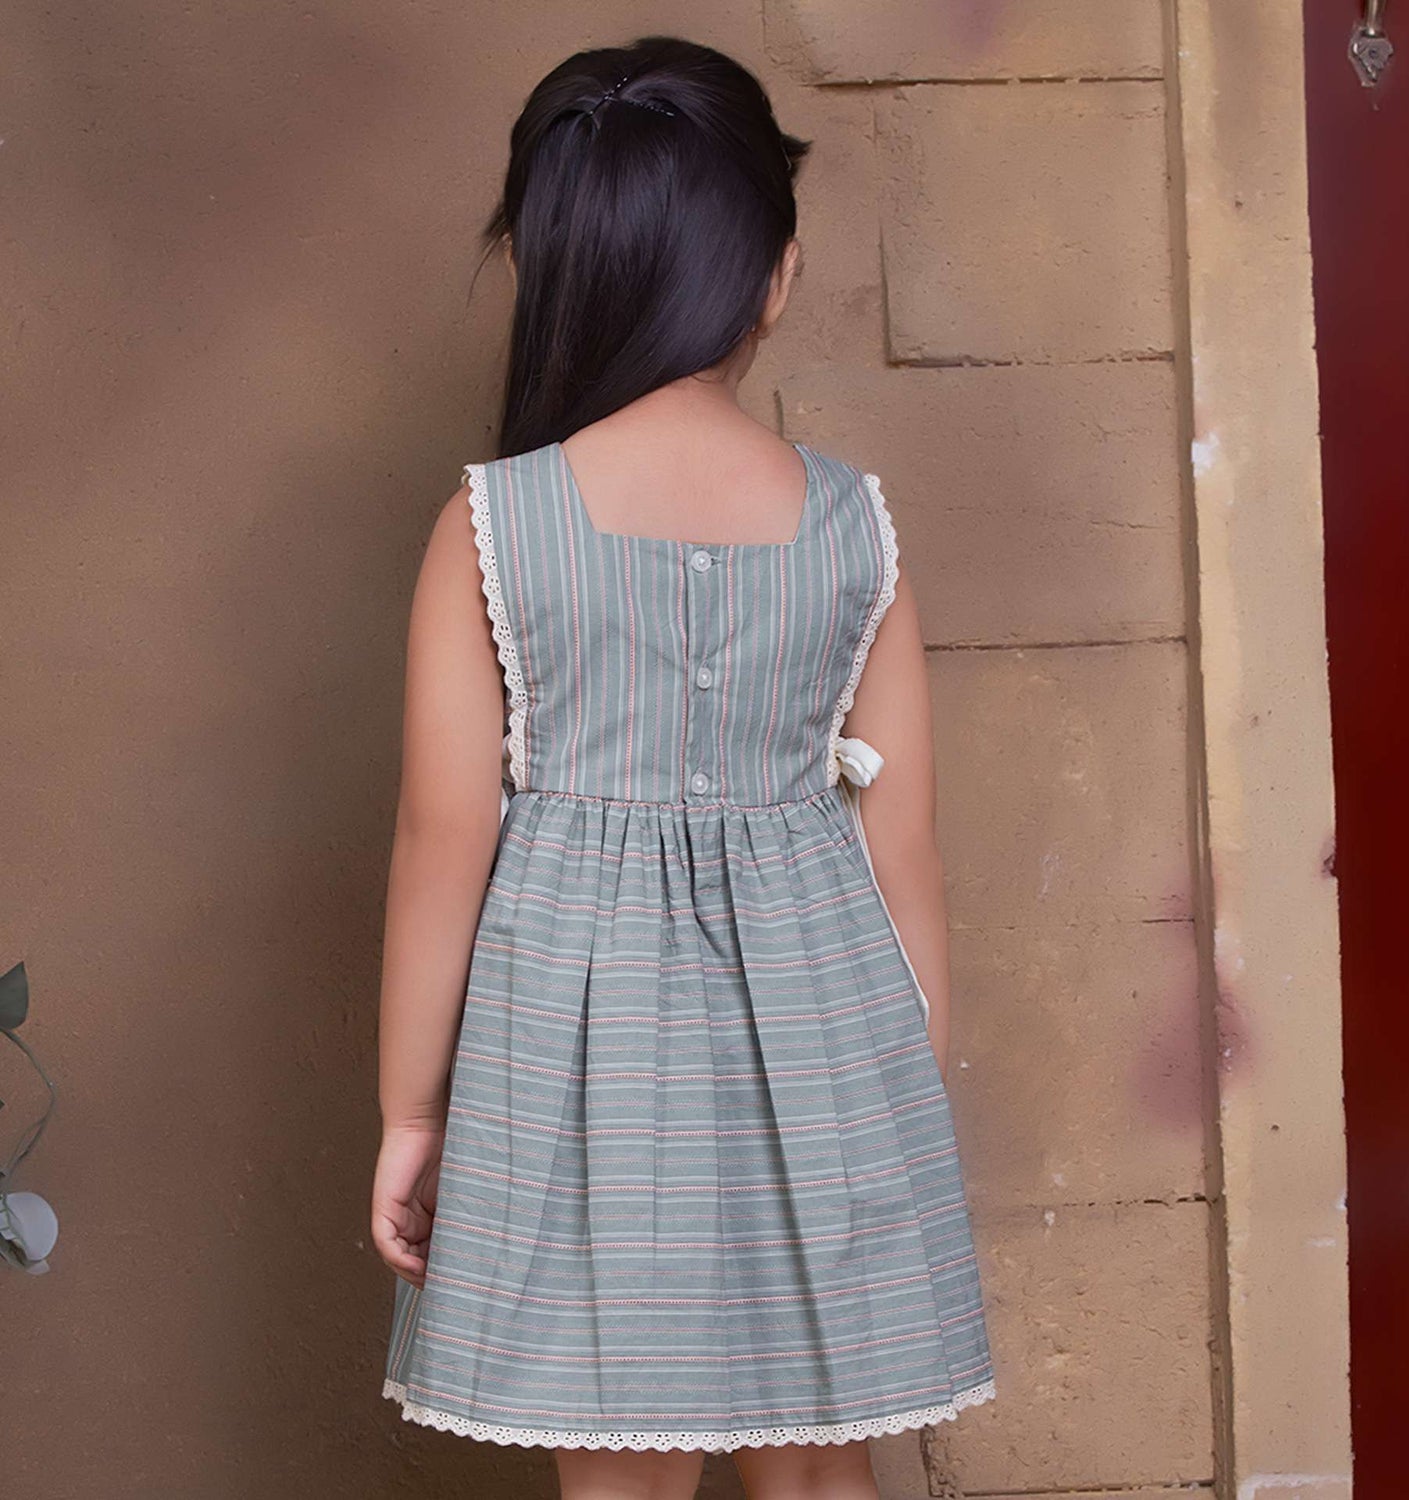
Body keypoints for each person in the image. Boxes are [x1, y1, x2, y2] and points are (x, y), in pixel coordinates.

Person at [371, 34, 995, 1499]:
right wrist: (905, 1094)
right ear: (773, 275)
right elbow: (903, 848)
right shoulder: (851, 524)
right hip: (831, 1053)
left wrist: (412, 1114)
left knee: (621, 1474)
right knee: (822, 1471)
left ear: (552, 267)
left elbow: (442, 840)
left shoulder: (493, 526)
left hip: (577, 1070)